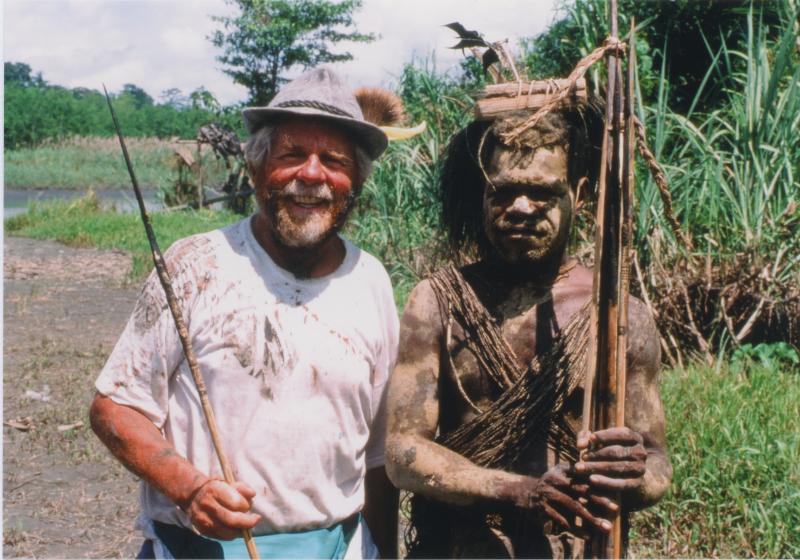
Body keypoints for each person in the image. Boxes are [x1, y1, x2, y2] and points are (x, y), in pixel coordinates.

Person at [90, 67, 401, 559]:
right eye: (292, 155)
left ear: (355, 182)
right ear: (256, 170)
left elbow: (378, 458)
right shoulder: (194, 265)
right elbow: (115, 408)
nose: (312, 174)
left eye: (334, 160)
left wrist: (387, 550)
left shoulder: (372, 281)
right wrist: (189, 488)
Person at [384, 102, 672, 558]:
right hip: (458, 544)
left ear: (578, 194)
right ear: (482, 193)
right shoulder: (437, 302)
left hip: (576, 547)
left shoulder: (618, 316)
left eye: (541, 192)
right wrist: (515, 490)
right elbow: (402, 453)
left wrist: (634, 472)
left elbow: (657, 464)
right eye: (503, 191)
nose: (520, 207)